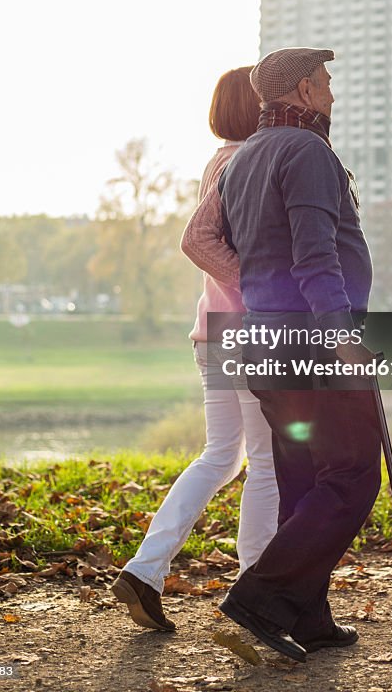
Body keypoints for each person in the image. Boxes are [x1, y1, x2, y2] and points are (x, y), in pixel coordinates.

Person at [216, 47, 382, 663]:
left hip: (264, 341)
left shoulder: (243, 159)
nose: (334, 95)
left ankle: (308, 617)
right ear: (306, 91)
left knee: (302, 478)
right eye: (328, 83)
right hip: (312, 342)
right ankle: (259, 600)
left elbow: (243, 248)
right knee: (353, 473)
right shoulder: (308, 152)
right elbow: (315, 256)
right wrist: (342, 338)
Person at [111, 67, 279, 632]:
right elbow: (204, 244)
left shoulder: (220, 160)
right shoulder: (242, 162)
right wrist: (259, 291)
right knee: (266, 461)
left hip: (213, 332)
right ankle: (259, 591)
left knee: (223, 455)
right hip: (246, 330)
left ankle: (144, 570)